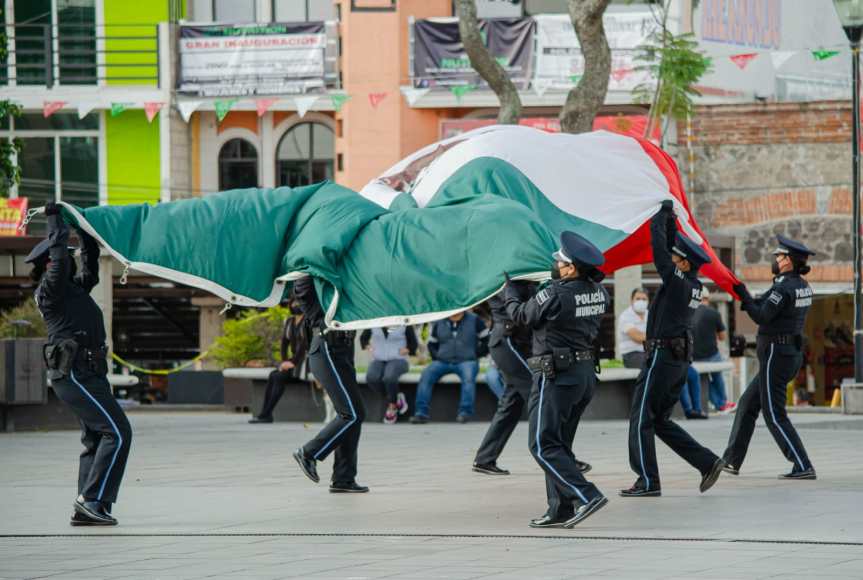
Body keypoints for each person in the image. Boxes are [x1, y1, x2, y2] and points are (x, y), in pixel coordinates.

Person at [29, 202, 131, 526]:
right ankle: (91, 500)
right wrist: (55, 218)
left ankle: (88, 506)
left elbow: (89, 267)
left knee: (97, 437)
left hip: (89, 372)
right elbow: (60, 258)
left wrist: (86, 229)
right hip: (73, 372)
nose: (70, 259)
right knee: (118, 432)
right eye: (63, 256)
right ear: (49, 264)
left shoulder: (72, 289)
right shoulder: (50, 291)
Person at [505, 231, 609, 529]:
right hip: (583, 376)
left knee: (542, 444)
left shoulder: (556, 293)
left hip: (556, 376)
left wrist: (509, 289)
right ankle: (559, 508)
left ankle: (586, 495)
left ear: (572, 268)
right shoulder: (600, 292)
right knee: (558, 444)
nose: (556, 268)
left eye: (560, 264)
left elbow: (521, 316)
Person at [622, 201, 724, 498]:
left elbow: (659, 253)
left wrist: (658, 218)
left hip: (662, 359)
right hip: (675, 360)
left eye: (677, 258)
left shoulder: (680, 283)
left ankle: (647, 481)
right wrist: (668, 220)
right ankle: (707, 462)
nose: (672, 260)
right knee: (660, 422)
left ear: (683, 263)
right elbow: (667, 251)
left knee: (641, 418)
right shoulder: (691, 284)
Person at [724, 235, 817, 480]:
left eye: (779, 256)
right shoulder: (799, 285)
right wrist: (745, 295)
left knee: (774, 414)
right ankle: (732, 460)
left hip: (777, 354)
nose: (775, 259)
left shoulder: (784, 287)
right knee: (746, 404)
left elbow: (763, 316)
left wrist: (744, 297)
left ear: (788, 261)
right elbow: (764, 303)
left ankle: (802, 464)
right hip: (787, 353)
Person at [292, 276, 368, 493]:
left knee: (355, 413)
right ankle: (309, 453)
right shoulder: (307, 278)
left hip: (342, 349)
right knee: (350, 414)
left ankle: (344, 478)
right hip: (327, 347)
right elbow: (306, 288)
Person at [410, 312, 490, 424]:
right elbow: (432, 344)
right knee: (426, 375)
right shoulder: (439, 321)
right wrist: (437, 356)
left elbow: (487, 339)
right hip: (443, 361)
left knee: (468, 378)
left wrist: (476, 354)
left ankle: (465, 413)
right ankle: (421, 414)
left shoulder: (475, 320)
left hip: (467, 361)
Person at [249, 295, 310, 424]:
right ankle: (265, 414)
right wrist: (284, 361)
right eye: (293, 303)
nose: (295, 306)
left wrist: (292, 362)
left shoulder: (307, 321)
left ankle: (266, 414)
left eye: (298, 303)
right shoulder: (289, 321)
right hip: (291, 361)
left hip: (304, 361)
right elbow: (284, 343)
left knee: (278, 377)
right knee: (273, 375)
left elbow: (304, 345)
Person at [686, 287, 735, 413]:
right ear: (707, 298)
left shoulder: (687, 313)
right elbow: (722, 337)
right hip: (712, 354)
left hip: (693, 356)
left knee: (704, 381)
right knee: (718, 377)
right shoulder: (713, 313)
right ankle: (723, 403)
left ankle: (719, 404)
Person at [360, 325, 418, 424]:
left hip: (398, 360)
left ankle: (392, 406)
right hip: (378, 359)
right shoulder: (374, 322)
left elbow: (413, 344)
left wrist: (407, 350)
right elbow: (363, 339)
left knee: (389, 377)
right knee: (371, 378)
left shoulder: (404, 324)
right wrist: (368, 347)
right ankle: (396, 397)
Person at [618, 288, 649, 369]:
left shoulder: (650, 314)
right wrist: (654, 336)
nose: (641, 301)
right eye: (638, 299)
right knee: (650, 362)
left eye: (644, 299)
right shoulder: (625, 316)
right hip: (631, 355)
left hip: (648, 352)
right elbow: (638, 338)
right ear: (632, 301)